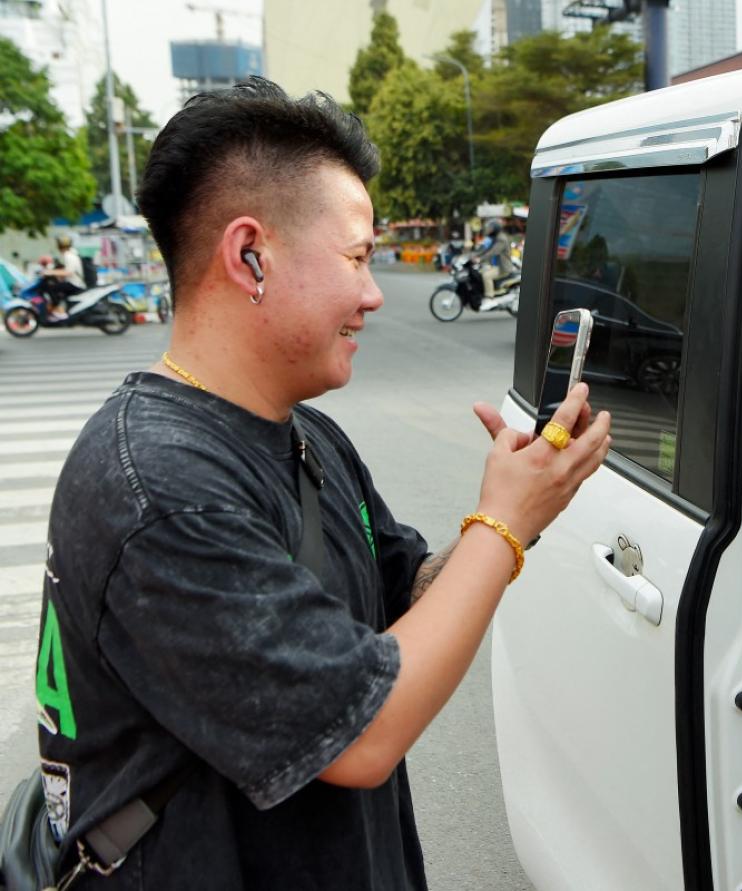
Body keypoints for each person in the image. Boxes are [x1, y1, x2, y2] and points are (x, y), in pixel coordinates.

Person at [33, 77, 611, 889]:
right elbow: (363, 733)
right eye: (357, 257)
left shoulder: (306, 435)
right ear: (249, 255)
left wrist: (522, 503)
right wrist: (503, 524)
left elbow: (412, 597)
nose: (374, 295)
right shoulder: (160, 486)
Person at [40, 234, 85, 320]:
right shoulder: (71, 254)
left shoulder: (69, 255)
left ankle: (58, 311)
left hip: (75, 284)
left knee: (51, 288)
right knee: (56, 287)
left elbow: (68, 272)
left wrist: (49, 272)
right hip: (73, 283)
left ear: (60, 245)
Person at [474, 219, 515, 299]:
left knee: (486, 276)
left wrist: (480, 259)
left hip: (503, 268)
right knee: (480, 272)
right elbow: (487, 249)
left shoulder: (501, 239)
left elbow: (493, 252)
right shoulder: (496, 237)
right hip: (496, 266)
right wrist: (476, 255)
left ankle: (489, 296)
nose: (489, 230)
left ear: (496, 228)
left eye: (491, 228)